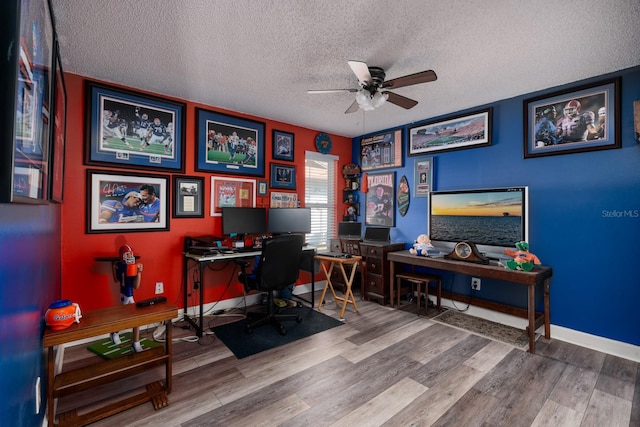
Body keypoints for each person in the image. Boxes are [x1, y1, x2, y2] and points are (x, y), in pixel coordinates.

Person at [111, 244, 144, 352]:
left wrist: (139, 272)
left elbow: (136, 286)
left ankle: (134, 342)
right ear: (122, 255)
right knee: (127, 319)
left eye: (131, 254)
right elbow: (118, 280)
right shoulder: (121, 266)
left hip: (129, 295)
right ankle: (117, 333)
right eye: (128, 254)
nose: (130, 256)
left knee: (134, 319)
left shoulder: (127, 266)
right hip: (125, 295)